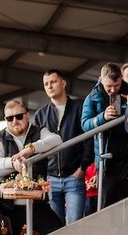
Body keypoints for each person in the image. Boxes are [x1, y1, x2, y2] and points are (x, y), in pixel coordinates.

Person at [0, 99, 63, 235]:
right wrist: (12, 163)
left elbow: (57, 140)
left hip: (37, 204)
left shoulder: (39, 130)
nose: (14, 121)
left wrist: (31, 149)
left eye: (19, 116)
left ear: (28, 116)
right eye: (10, 118)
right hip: (9, 206)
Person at [81, 63, 128, 208]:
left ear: (121, 79)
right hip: (107, 160)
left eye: (117, 85)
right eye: (109, 86)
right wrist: (102, 117)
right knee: (108, 204)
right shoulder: (92, 97)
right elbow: (85, 125)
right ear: (100, 79)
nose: (113, 90)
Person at [32, 69, 95, 226]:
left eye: (53, 82)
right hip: (50, 179)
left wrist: (82, 169)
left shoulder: (79, 107)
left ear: (63, 83)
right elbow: (38, 146)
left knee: (75, 225)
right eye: (46, 84)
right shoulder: (41, 114)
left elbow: (88, 140)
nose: (49, 86)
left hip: (74, 176)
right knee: (55, 228)